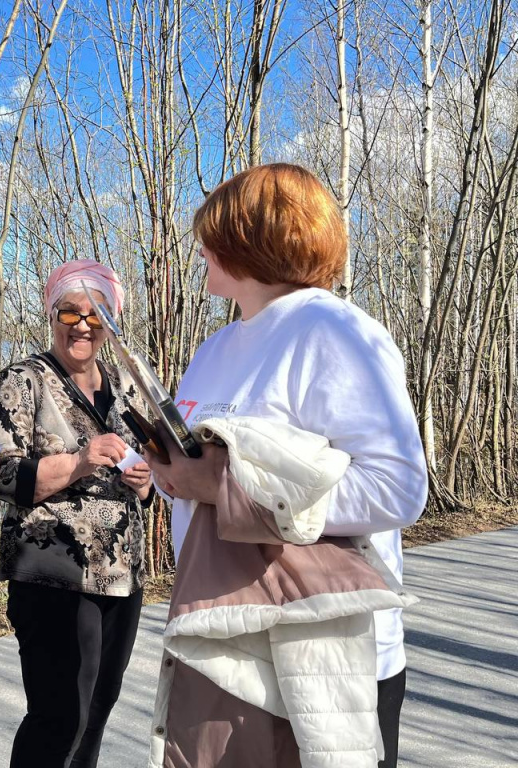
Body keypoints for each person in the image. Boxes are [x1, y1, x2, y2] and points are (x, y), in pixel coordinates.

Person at [145, 164, 427, 768]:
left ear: (256, 237)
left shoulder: (334, 332)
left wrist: (221, 486)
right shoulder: (217, 347)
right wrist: (170, 473)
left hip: (324, 656)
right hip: (227, 634)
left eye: (214, 231)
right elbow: (210, 473)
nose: (200, 246)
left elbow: (396, 489)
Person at [0, 259, 155, 768]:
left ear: (110, 321)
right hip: (53, 574)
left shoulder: (125, 388)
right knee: (59, 716)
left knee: (97, 712)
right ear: (52, 313)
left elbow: (150, 474)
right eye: (70, 311)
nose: (83, 324)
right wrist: (79, 462)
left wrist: (147, 485)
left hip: (122, 577)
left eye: (96, 314)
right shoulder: (23, 382)